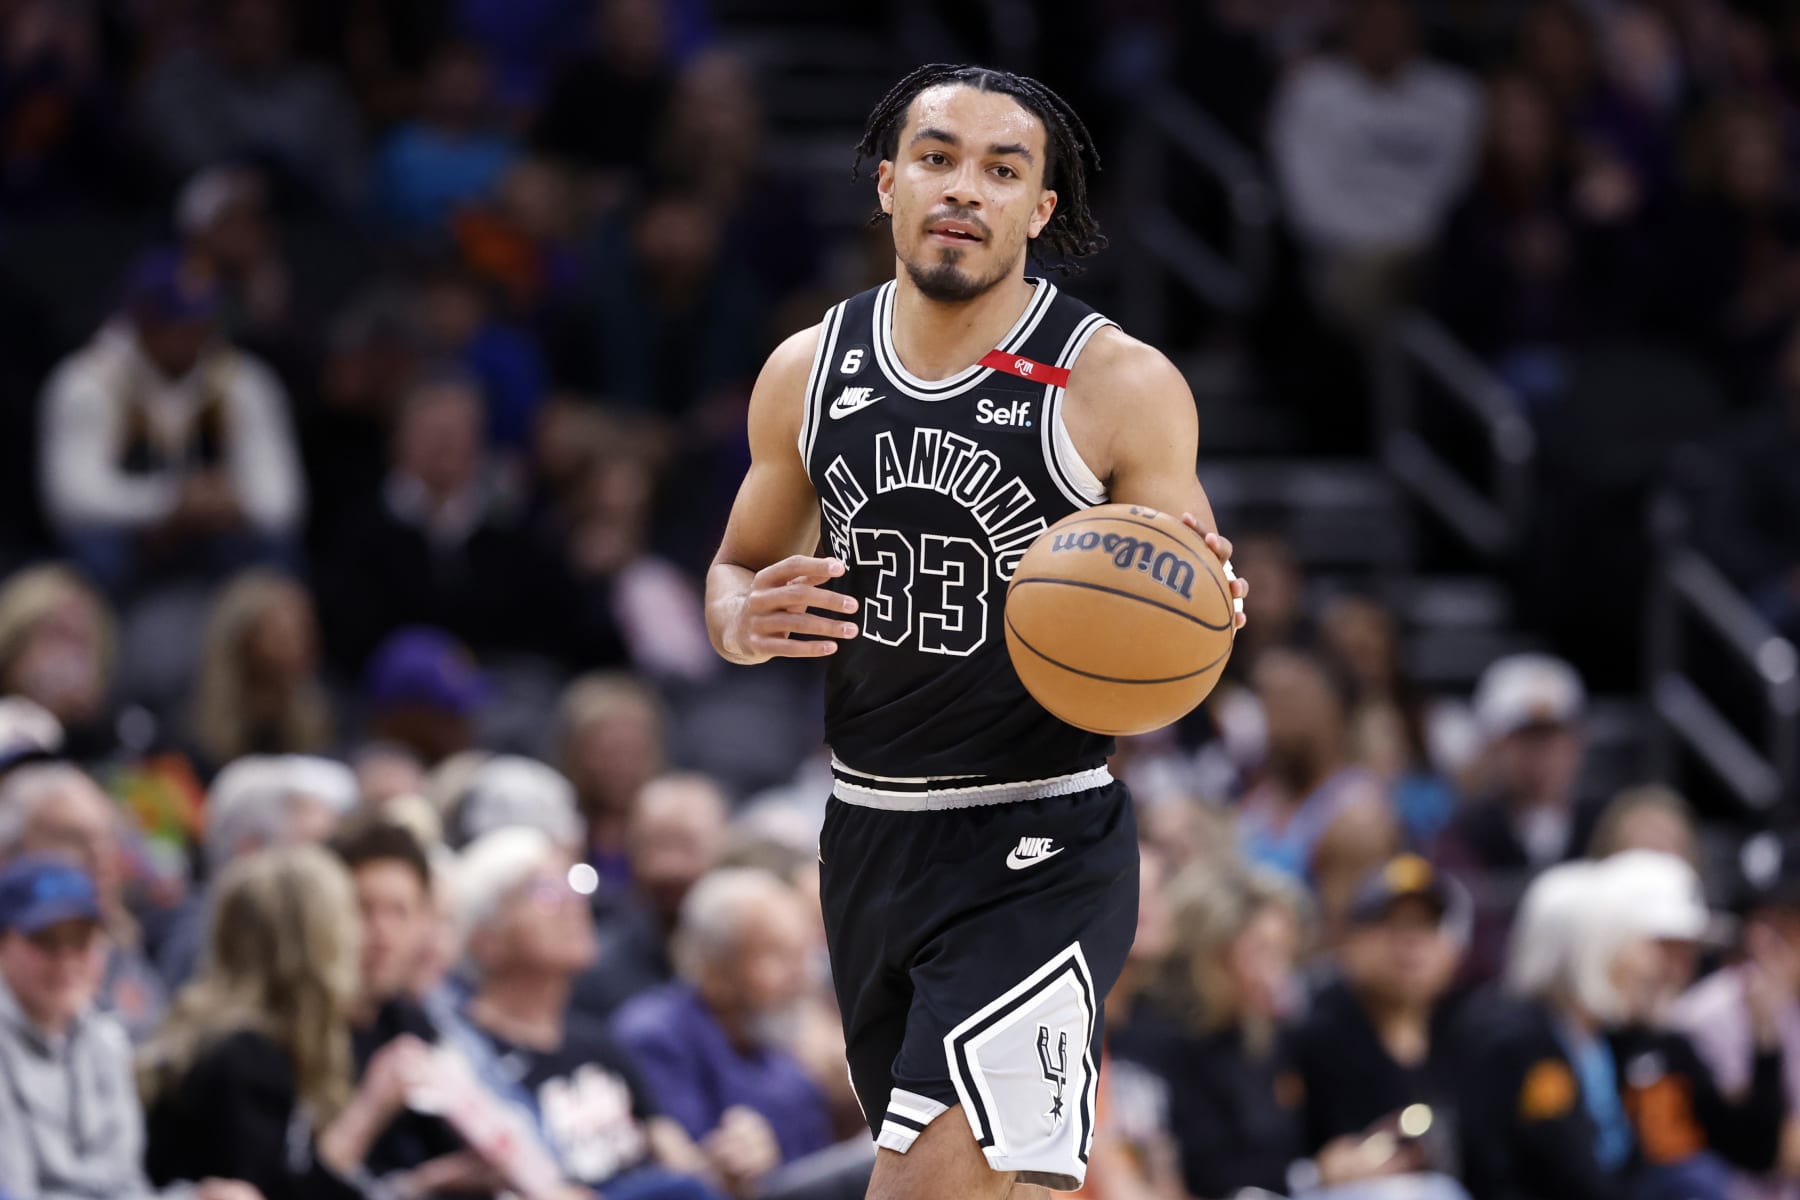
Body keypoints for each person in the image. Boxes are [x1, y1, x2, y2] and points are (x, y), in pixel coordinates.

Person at [703, 62, 1248, 1199]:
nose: (966, 188)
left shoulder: (1117, 384)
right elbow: (733, 572)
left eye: (1004, 170)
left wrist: (1210, 608)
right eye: (940, 158)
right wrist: (742, 621)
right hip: (867, 832)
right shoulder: (808, 371)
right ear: (890, 182)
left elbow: (1192, 594)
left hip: (1040, 839)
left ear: (1040, 210)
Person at [140, 845, 434, 1199]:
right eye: (352, 915)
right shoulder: (243, 1057)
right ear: (313, 943)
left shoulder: (291, 1039)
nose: (365, 935)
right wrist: (366, 1116)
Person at [455, 826, 723, 1199]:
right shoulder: (465, 1056)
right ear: (485, 937)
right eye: (546, 892)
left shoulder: (599, 1043)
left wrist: (726, 1161)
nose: (573, 904)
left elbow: (678, 1156)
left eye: (575, 884)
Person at [38, 248, 306, 597]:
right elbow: (72, 500)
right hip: (130, 540)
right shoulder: (88, 380)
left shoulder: (241, 379)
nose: (190, 337)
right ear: (142, 319)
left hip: (216, 536)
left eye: (199, 323)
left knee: (275, 553)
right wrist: (170, 503)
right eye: (174, 323)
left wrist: (226, 503)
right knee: (94, 551)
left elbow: (284, 501)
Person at [0, 855, 262, 1200]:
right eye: (45, 942)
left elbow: (124, 1187)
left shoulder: (105, 1041)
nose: (65, 961)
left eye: (80, 942)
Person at [613, 867, 836, 1196]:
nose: (800, 977)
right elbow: (685, 1176)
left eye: (801, 956)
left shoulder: (781, 1050)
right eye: (776, 956)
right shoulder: (654, 1038)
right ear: (713, 969)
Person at [1293, 855, 1466, 1173]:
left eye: (1426, 925)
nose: (1411, 942)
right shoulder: (1313, 1037)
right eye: (1392, 923)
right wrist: (1319, 1171)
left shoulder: (1464, 1030)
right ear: (1350, 939)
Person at [1436, 652, 1599, 981]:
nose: (1542, 755)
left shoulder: (1604, 828)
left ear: (1577, 742)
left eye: (1554, 736)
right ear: (1492, 747)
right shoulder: (1461, 837)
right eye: (1525, 739)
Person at [1237, 647, 1400, 940]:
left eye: (1287, 700)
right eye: (1265, 699)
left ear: (1331, 706)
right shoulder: (1260, 797)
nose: (1272, 717)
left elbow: (1339, 941)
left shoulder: (1356, 815)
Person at [0, 762, 168, 1040]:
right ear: (9, 852)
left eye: (108, 839)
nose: (101, 858)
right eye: (73, 838)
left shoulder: (122, 938)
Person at [576, 770, 729, 1018]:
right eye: (653, 845)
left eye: (687, 845)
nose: (668, 867)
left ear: (724, 843)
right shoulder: (599, 967)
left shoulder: (753, 956)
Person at [189, 569, 332, 768]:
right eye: (282, 636)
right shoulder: (194, 731)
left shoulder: (325, 716)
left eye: (304, 632)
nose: (300, 646)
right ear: (244, 641)